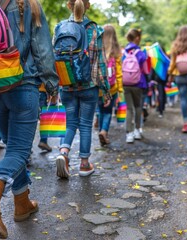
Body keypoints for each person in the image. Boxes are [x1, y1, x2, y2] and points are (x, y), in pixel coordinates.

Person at [0, 0, 59, 238]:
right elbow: (42, 48)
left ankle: (22, 203)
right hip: (22, 84)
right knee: (19, 151)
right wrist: (51, 83)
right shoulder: (29, 5)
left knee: (12, 148)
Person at [54, 0, 111, 178]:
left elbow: (53, 57)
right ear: (87, 6)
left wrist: (54, 84)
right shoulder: (95, 29)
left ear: (69, 5)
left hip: (67, 84)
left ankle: (64, 152)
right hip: (89, 85)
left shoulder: (60, 27)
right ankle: (85, 165)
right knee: (86, 124)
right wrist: (106, 89)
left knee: (70, 122)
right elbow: (100, 63)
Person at [97, 24, 123, 146]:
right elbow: (118, 73)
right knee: (108, 111)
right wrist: (120, 88)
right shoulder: (116, 52)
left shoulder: (97, 49)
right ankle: (104, 131)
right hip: (111, 88)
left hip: (98, 87)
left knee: (100, 110)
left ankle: (101, 131)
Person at [122, 29, 149, 143]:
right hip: (138, 83)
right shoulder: (140, 53)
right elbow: (146, 70)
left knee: (129, 108)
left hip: (125, 83)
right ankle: (137, 130)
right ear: (137, 38)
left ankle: (129, 134)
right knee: (138, 107)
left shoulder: (123, 52)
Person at [37, 83, 52, 152]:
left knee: (29, 118)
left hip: (26, 90)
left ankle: (26, 146)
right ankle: (43, 140)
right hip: (41, 90)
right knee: (44, 118)